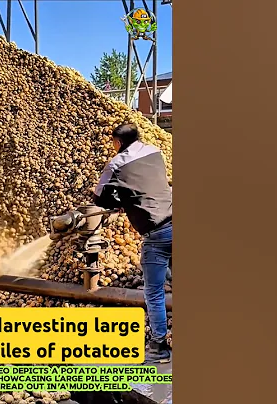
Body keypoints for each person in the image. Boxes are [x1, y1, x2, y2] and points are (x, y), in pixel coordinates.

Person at [92, 123, 173, 364]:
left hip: (156, 234)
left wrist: (116, 201)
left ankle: (159, 347)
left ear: (117, 142)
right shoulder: (154, 151)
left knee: (154, 292)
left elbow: (98, 197)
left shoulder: (116, 164)